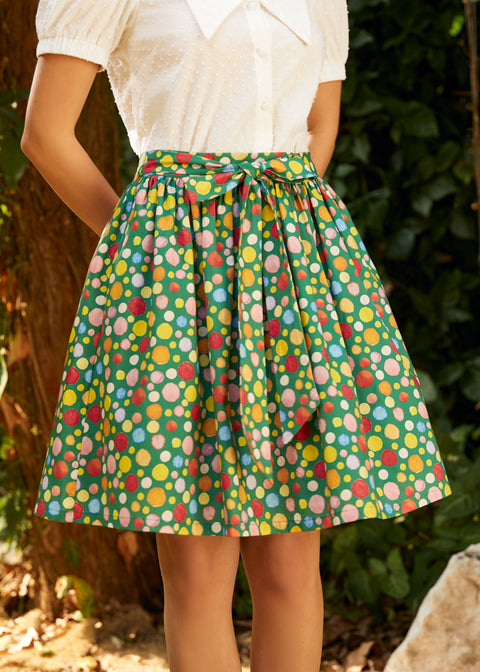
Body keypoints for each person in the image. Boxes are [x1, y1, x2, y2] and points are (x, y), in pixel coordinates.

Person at [21, 1, 452, 671]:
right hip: (174, 279)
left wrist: (266, 243)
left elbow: (318, 125)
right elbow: (45, 134)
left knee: (289, 559)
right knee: (198, 567)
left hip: (289, 274)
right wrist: (144, 245)